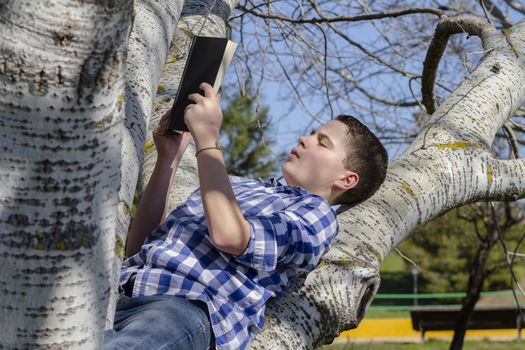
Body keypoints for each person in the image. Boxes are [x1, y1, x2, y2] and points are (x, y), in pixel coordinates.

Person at [104, 82, 388, 350]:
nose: (305, 139)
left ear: (347, 179)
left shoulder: (317, 215)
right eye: (312, 133)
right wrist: (168, 159)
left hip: (184, 307)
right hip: (120, 293)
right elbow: (138, 249)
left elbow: (231, 236)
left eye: (322, 142)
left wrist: (208, 141)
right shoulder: (238, 186)